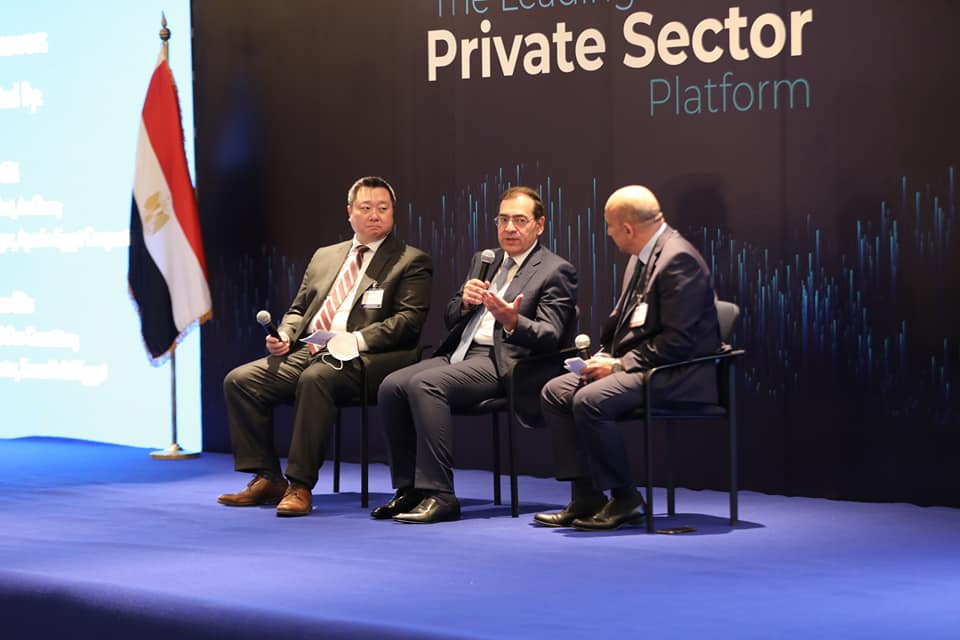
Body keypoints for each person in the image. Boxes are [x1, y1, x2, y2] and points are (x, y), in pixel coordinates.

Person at [218, 176, 432, 517]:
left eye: (383, 208)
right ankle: (268, 477)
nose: (375, 215)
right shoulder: (325, 256)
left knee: (315, 379)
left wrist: (355, 339)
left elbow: (407, 323)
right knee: (241, 381)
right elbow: (299, 310)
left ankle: (299, 485)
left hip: (367, 357)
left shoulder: (410, 261)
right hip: (312, 348)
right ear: (349, 213)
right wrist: (285, 335)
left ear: (393, 213)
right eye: (366, 207)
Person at [373, 185, 578, 524]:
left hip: (504, 362)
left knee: (425, 384)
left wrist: (512, 321)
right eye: (503, 220)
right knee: (391, 386)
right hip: (461, 352)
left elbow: (551, 335)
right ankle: (409, 489)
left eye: (520, 220)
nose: (509, 228)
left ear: (539, 225)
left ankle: (440, 495)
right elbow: (451, 317)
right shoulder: (486, 260)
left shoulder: (555, 270)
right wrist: (465, 303)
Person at [535, 185, 720, 531]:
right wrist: (604, 357)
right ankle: (587, 496)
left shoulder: (678, 260)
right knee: (556, 391)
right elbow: (624, 324)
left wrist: (619, 365)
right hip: (646, 364)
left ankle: (625, 499)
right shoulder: (641, 256)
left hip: (677, 372)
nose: (608, 233)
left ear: (628, 228)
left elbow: (679, 342)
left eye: (609, 226)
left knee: (590, 399)